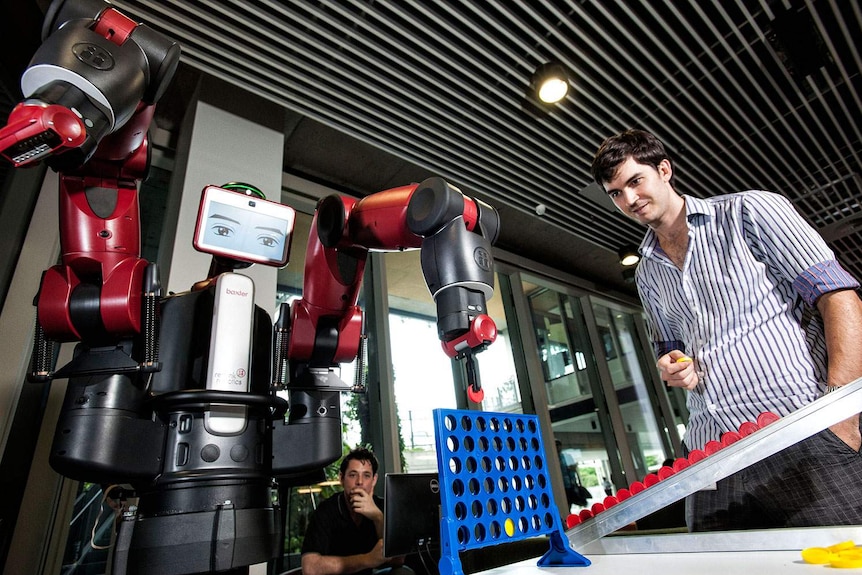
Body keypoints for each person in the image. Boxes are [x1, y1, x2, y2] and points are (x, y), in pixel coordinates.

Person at [590, 129, 862, 532]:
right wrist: (675, 365)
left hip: (799, 433)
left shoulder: (750, 211)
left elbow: (839, 298)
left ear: (664, 170)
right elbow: (671, 348)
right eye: (615, 193)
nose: (628, 200)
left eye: (635, 181)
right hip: (710, 457)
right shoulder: (646, 271)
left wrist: (842, 414)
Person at [301, 448, 411, 575]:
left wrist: (378, 518)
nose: (359, 482)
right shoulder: (326, 510)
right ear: (342, 478)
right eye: (353, 475)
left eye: (366, 475)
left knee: (403, 572)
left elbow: (398, 560)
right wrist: (368, 559)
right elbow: (310, 568)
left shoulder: (382, 506)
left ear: (374, 480)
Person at [555, 439, 588, 511]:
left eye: (558, 446)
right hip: (561, 485)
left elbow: (573, 469)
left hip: (569, 484)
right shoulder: (553, 458)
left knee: (569, 501)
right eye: (556, 446)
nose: (558, 448)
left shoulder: (566, 456)